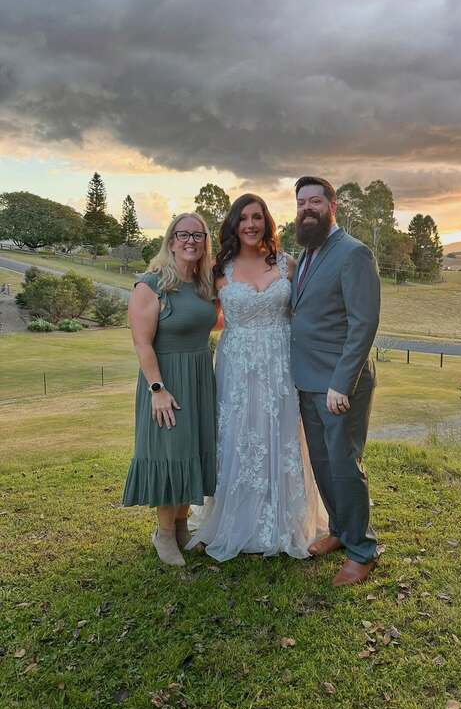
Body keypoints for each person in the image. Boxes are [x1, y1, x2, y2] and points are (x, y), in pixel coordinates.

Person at [187, 194, 325, 560]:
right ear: (234, 225)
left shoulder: (287, 263)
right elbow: (204, 314)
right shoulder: (219, 269)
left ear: (267, 222)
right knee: (238, 435)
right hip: (236, 364)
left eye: (257, 217)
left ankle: (284, 520)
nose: (250, 224)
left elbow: (305, 311)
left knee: (282, 433)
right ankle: (234, 519)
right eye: (243, 218)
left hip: (281, 363)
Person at [290, 176, 380, 586]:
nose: (307, 208)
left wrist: (342, 382)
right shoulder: (307, 253)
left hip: (341, 384)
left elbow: (363, 323)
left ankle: (363, 549)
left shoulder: (354, 253)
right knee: (322, 463)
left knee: (344, 463)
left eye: (315, 201)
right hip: (308, 381)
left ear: (332, 206)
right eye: (301, 203)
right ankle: (340, 531)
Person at [122, 212, 217, 567]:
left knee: (192, 452)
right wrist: (157, 389)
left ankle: (180, 527)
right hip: (166, 381)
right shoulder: (151, 285)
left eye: (198, 234)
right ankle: (163, 534)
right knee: (171, 455)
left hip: (199, 379)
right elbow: (142, 343)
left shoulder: (205, 284)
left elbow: (216, 320)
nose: (191, 240)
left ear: (205, 241)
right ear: (171, 240)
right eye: (183, 234)